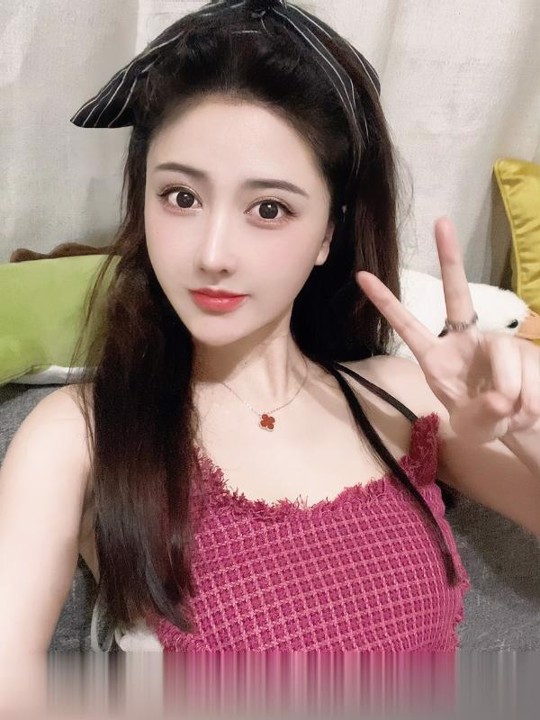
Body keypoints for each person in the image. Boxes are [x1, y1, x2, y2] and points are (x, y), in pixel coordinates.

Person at [1, 0, 539, 683]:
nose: (212, 254)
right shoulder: (82, 432)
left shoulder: (402, 399)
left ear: (327, 234)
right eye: (181, 197)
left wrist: (528, 423)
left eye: (268, 208)